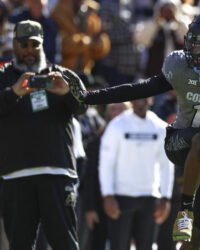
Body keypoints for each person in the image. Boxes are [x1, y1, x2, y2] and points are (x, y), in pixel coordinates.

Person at [67, 10, 200, 250]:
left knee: (195, 243)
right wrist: (89, 97)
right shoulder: (179, 63)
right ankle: (185, 209)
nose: (194, 51)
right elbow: (138, 89)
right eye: (193, 43)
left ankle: (190, 224)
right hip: (179, 142)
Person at [0, 20, 87, 249]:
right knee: (19, 245)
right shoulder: (2, 77)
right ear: (14, 44)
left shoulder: (63, 75)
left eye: (34, 44)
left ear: (42, 44)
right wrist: (13, 92)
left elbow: (83, 106)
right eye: (24, 44)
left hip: (57, 171)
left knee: (65, 244)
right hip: (15, 175)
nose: (29, 50)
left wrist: (67, 93)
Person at [99, 97, 174, 250]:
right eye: (137, 98)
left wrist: (166, 197)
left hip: (150, 198)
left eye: (144, 97)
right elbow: (106, 163)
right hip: (121, 198)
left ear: (151, 99)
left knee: (146, 246)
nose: (140, 101)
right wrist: (107, 195)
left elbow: (166, 165)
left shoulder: (160, 127)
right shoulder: (117, 125)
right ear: (131, 101)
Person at [83, 102, 130, 250]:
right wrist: (89, 208)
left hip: (129, 202)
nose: (117, 112)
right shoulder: (96, 141)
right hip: (99, 203)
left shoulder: (136, 137)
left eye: (121, 108)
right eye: (113, 108)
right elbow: (89, 177)